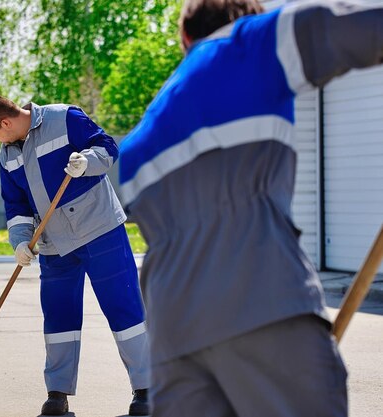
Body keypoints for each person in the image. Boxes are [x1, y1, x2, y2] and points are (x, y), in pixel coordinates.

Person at [118, 0, 383, 416]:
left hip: (172, 333)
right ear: (247, 18)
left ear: (184, 38)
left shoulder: (140, 137)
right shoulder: (250, 43)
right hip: (260, 302)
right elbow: (360, 26)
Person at [0, 95, 150, 416]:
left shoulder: (64, 118)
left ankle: (147, 390)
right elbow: (16, 207)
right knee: (59, 318)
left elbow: (107, 147)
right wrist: (19, 241)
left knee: (124, 310)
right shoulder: (6, 155)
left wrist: (87, 162)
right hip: (55, 245)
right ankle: (57, 395)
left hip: (101, 232)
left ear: (5, 123)